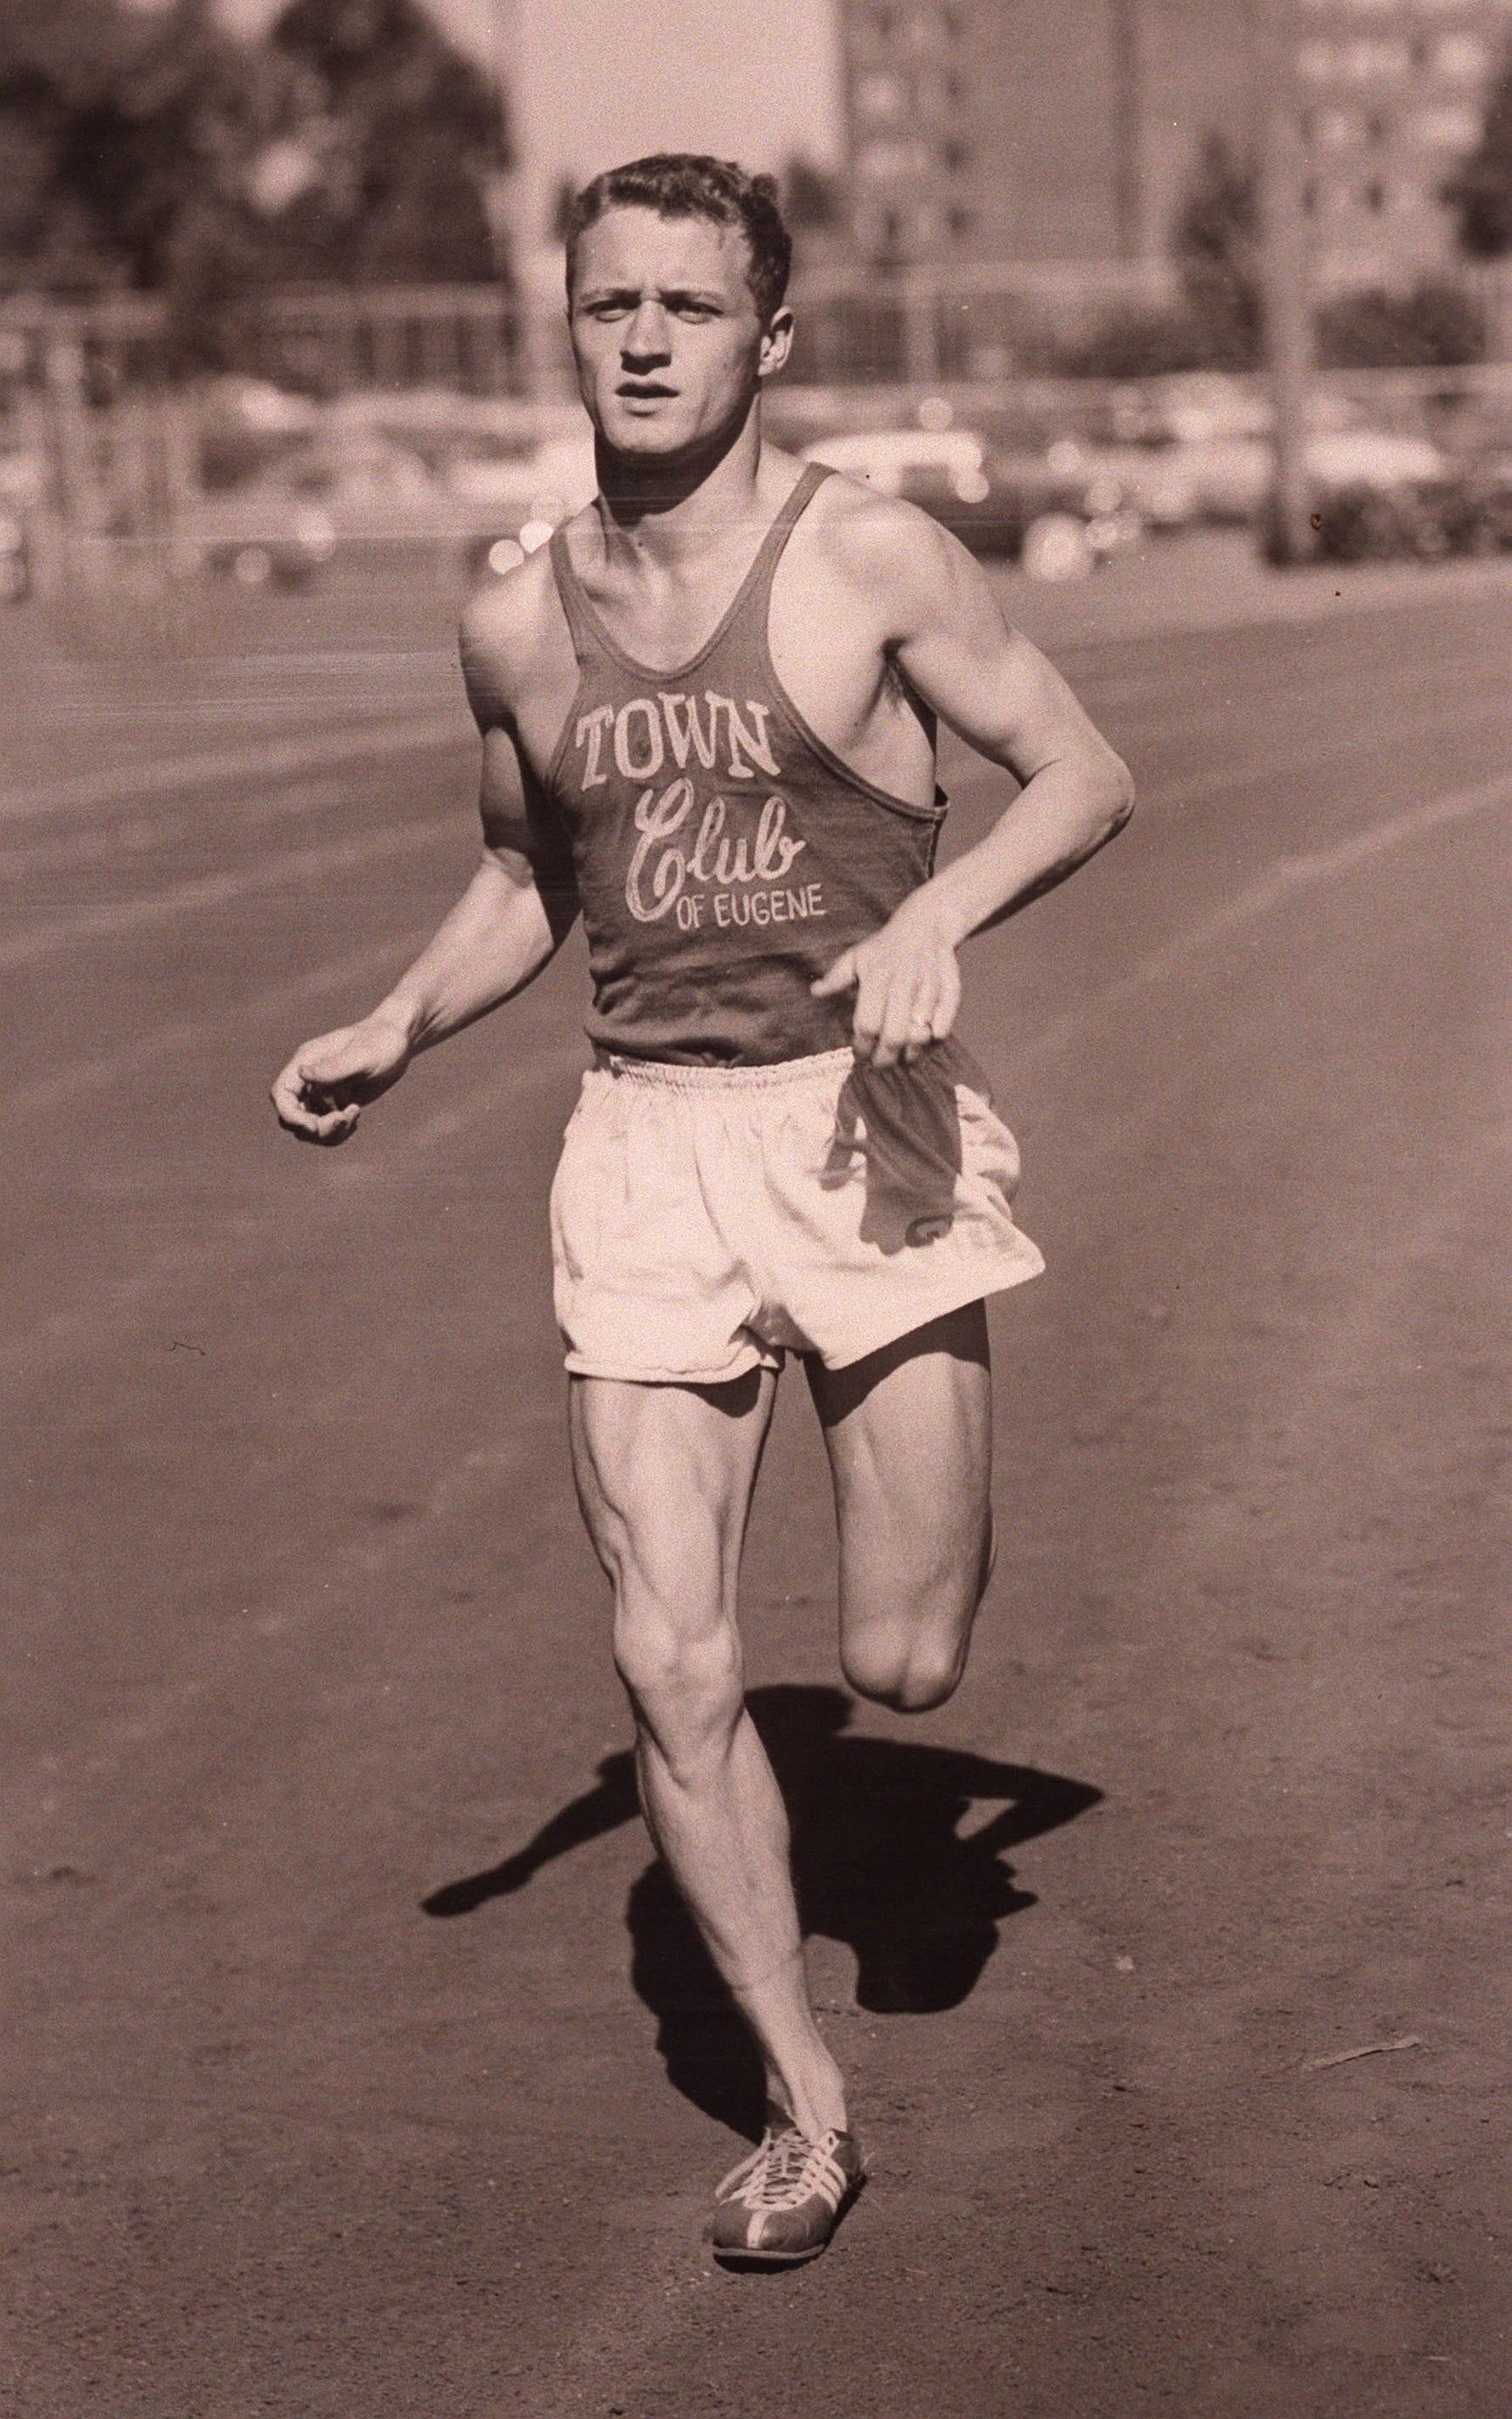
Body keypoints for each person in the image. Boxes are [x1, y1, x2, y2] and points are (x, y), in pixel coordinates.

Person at [271, 154, 1133, 2267]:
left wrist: (935, 912)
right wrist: (399, 1018)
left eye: (689, 304)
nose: (646, 339)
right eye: (609, 304)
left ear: (772, 335)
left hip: (863, 1132)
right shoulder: (513, 615)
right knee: (668, 1658)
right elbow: (528, 874)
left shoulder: (871, 555)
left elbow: (1087, 772)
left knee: (905, 1659)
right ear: (566, 328)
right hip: (646, 1147)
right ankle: (803, 2112)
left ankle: (893, 1805)